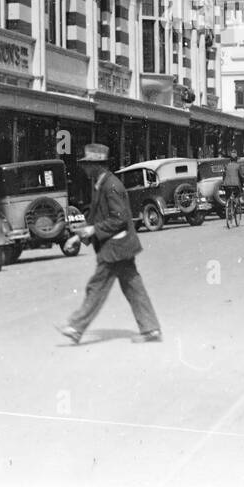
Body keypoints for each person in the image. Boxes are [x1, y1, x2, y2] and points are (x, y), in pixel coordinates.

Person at [56, 144, 161, 345]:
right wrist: (78, 236)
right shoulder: (102, 183)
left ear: (98, 166)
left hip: (115, 246)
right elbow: (96, 216)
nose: (85, 169)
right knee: (133, 287)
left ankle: (76, 327)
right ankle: (151, 329)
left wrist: (93, 230)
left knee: (97, 285)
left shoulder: (110, 186)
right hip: (120, 245)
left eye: (88, 165)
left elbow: (119, 218)